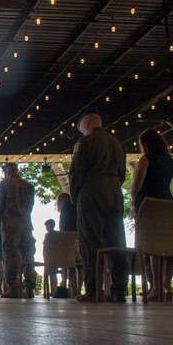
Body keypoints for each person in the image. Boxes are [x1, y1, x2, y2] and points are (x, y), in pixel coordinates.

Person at [70, 112, 128, 302]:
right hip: (115, 192)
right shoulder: (118, 144)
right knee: (117, 241)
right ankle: (119, 289)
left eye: (82, 129)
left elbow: (76, 172)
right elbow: (123, 175)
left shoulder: (85, 143)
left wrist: (74, 196)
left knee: (91, 241)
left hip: (91, 192)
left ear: (86, 124)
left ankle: (93, 290)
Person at [131, 128, 173, 301]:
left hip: (149, 206)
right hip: (168, 204)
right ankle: (167, 284)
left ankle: (156, 287)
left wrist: (135, 205)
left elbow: (136, 187)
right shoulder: (169, 161)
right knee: (169, 246)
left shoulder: (145, 160)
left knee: (151, 247)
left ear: (145, 144)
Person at [0, 163, 37, 299]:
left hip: (10, 225)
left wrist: (1, 220)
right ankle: (29, 287)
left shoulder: (4, 184)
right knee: (28, 255)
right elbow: (30, 207)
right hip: (26, 224)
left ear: (7, 172)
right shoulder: (29, 186)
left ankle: (13, 287)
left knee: (10, 255)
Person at [56, 192, 82, 296]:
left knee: (69, 264)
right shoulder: (77, 207)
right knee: (80, 266)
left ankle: (70, 288)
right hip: (79, 237)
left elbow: (62, 225)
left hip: (68, 239)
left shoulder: (65, 208)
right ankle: (78, 289)